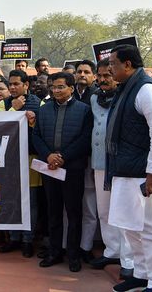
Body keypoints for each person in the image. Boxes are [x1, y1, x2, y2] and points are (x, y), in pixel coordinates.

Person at [107, 45, 152, 292]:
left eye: (113, 63)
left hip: (147, 175)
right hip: (126, 169)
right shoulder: (127, 87)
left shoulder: (147, 89)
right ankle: (142, 275)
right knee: (130, 227)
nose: (110, 68)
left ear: (128, 65)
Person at [32, 72, 92, 273]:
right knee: (53, 212)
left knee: (74, 213)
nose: (56, 91)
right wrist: (48, 155)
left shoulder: (84, 110)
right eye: (53, 87)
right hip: (49, 168)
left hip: (72, 169)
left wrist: (63, 157)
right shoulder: (44, 109)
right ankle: (54, 252)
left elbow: (85, 140)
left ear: (71, 88)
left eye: (60, 87)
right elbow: (36, 136)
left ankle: (73, 255)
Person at [88, 59, 134, 279]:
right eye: (100, 76)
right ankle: (112, 250)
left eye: (108, 75)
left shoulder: (125, 97)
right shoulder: (95, 98)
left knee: (123, 214)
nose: (103, 79)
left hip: (121, 164)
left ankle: (128, 260)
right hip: (99, 162)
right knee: (104, 211)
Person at [0, 70, 41, 257]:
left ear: (26, 85)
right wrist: (13, 109)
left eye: (16, 84)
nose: (13, 87)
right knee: (12, 200)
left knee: (30, 202)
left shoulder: (39, 103)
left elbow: (42, 130)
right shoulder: (3, 104)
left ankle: (28, 240)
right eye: (11, 84)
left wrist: (33, 123)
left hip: (31, 158)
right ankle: (14, 238)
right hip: (9, 160)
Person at [72, 60, 98, 263]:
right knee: (69, 206)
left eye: (86, 72)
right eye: (79, 71)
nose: (82, 74)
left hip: (90, 158)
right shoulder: (66, 94)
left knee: (89, 206)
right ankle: (66, 246)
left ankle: (85, 247)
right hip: (68, 160)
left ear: (94, 76)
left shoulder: (98, 97)